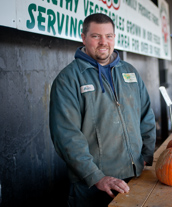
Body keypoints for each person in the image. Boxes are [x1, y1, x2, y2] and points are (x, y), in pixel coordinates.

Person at [49, 13, 156, 207]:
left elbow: (146, 115)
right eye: (96, 36)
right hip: (93, 187)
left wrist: (147, 155)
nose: (103, 42)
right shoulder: (68, 80)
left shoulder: (130, 72)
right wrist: (95, 176)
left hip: (134, 177)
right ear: (83, 38)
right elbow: (66, 136)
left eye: (108, 36)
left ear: (115, 37)